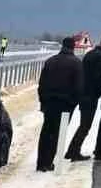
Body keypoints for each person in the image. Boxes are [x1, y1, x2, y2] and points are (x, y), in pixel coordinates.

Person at [36, 37, 84, 171]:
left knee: (46, 132)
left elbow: (41, 85)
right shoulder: (76, 63)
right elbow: (79, 87)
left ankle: (41, 163)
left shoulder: (50, 61)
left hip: (49, 104)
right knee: (58, 133)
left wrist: (43, 102)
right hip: (65, 105)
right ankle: (50, 162)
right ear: (73, 47)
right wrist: (73, 103)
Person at [66, 34, 101, 160]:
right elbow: (97, 78)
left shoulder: (90, 54)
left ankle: (72, 150)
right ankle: (74, 151)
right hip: (90, 95)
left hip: (83, 93)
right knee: (85, 125)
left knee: (83, 124)